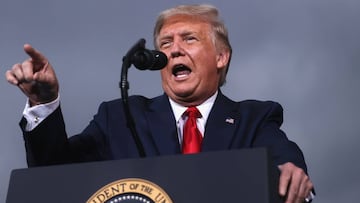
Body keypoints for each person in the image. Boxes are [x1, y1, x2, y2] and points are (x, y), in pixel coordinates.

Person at [5, 4, 314, 203]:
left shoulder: (255, 118)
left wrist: (291, 171)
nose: (175, 50)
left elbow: (286, 162)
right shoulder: (119, 117)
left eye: (189, 39)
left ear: (221, 57)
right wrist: (43, 102)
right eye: (165, 44)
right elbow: (54, 175)